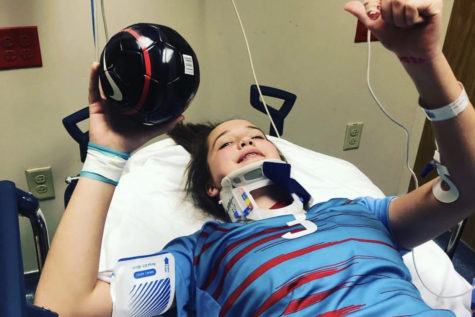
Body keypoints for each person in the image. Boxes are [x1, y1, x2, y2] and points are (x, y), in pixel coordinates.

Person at [34, 0, 475, 316]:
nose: (246, 142)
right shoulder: (202, 257)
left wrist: (424, 61)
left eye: (257, 135)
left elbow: (466, 190)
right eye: (225, 145)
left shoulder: (359, 213)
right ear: (210, 186)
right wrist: (107, 155)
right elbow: (63, 308)